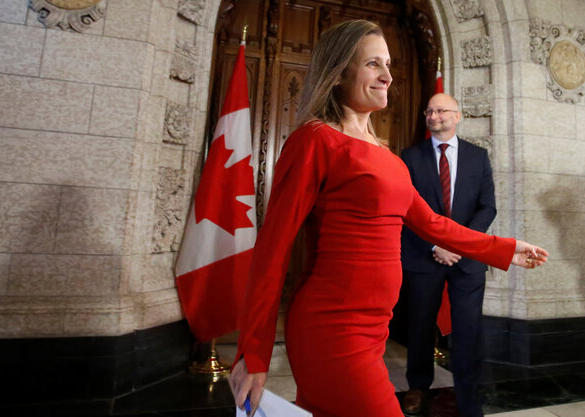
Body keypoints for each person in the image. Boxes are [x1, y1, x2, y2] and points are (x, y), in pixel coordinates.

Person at [228, 20, 549, 417]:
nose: (387, 76)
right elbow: (272, 251)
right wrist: (254, 353)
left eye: (389, 64)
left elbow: (432, 224)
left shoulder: (387, 155)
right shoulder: (315, 140)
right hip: (332, 326)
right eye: (373, 64)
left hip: (374, 329)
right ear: (340, 70)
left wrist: (505, 248)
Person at [399, 93, 494, 416]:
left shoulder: (478, 157)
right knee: (421, 325)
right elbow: (405, 208)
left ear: (458, 116)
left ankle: (469, 391)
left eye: (441, 110)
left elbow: (487, 206)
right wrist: (434, 245)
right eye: (429, 110)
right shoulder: (409, 157)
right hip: (423, 257)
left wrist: (458, 244)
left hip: (467, 259)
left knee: (468, 328)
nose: (433, 115)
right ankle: (418, 386)